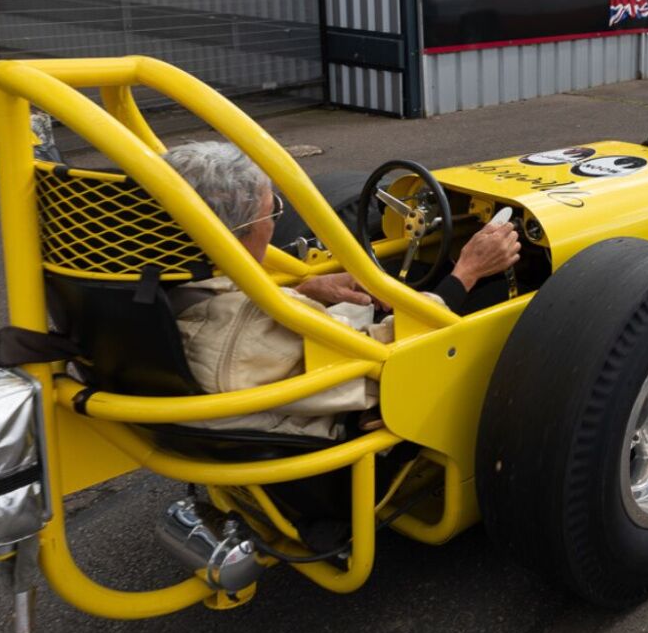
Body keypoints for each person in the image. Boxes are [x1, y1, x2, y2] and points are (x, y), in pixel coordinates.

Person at [163, 142, 521, 439]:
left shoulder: (171, 289)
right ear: (234, 231)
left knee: (401, 279)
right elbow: (395, 360)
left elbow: (256, 325)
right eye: (272, 213)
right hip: (346, 430)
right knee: (492, 300)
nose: (275, 225)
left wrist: (307, 290)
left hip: (263, 403)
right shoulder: (244, 336)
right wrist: (466, 273)